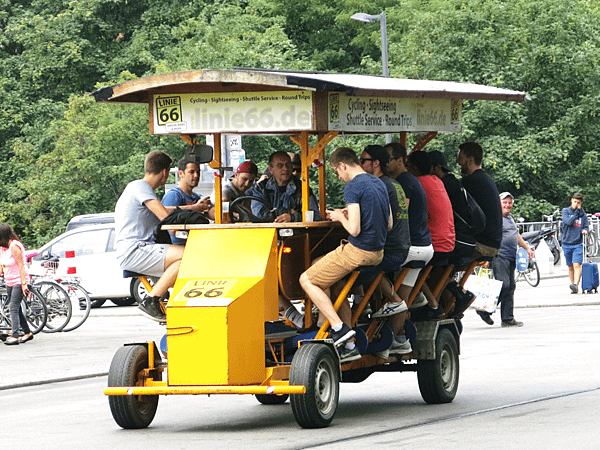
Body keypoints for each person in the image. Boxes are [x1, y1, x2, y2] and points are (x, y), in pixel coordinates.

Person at [299, 147, 391, 362]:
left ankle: (340, 329)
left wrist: (341, 216)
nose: (338, 176)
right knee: (321, 267)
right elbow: (388, 224)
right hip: (378, 251)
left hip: (358, 251)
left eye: (336, 171)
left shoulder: (353, 187)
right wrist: (352, 213)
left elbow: (355, 230)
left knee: (307, 279)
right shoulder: (379, 183)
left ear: (343, 165)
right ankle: (346, 344)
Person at [115, 151, 207, 322]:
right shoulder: (140, 187)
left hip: (137, 250)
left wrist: (194, 208)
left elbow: (168, 210)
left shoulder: (137, 189)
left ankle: (174, 305)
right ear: (165, 172)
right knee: (191, 256)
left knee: (187, 264)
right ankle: (151, 300)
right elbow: (165, 217)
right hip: (136, 250)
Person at [357, 145, 412, 355]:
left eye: (363, 161)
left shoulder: (376, 186)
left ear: (375, 163)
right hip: (402, 245)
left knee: (352, 268)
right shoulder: (394, 183)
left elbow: (370, 222)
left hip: (389, 249)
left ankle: (372, 309)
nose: (360, 165)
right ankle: (369, 308)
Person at [406, 150, 455, 319]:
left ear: (413, 167)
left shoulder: (415, 183)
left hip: (435, 244)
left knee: (404, 265)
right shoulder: (437, 181)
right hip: (449, 243)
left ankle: (429, 303)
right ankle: (436, 299)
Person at [384, 142, 434, 308]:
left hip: (411, 246)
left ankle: (373, 304)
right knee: (404, 299)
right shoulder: (410, 180)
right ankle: (399, 331)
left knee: (366, 264)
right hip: (423, 244)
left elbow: (400, 215)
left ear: (400, 161)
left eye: (388, 159)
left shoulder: (403, 182)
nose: (384, 162)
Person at [478, 192, 533, 327]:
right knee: (505, 284)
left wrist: (527, 248)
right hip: (499, 256)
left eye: (509, 203)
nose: (507, 205)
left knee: (511, 287)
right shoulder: (495, 218)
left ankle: (507, 318)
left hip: (511, 256)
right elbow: (487, 236)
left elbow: (516, 235)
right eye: (504, 202)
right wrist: (486, 257)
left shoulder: (511, 218)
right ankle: (485, 310)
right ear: (499, 204)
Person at [456, 141, 502, 259]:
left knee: (442, 251)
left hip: (482, 243)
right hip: (494, 243)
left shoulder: (470, 181)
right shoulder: (486, 179)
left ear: (470, 160)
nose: (457, 162)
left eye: (460, 158)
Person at [429, 150, 476, 262]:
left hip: (458, 240)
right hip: (468, 239)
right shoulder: (453, 180)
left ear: (437, 168)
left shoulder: (443, 185)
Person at [248, 151, 321, 223]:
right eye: (280, 165)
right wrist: (289, 212)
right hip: (267, 233)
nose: (285, 168)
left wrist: (293, 217)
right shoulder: (260, 188)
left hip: (297, 233)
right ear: (271, 170)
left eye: (288, 164)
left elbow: (315, 216)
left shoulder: (303, 189)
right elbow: (258, 214)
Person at [162, 157, 212, 244]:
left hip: (196, 244)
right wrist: (195, 208)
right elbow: (170, 228)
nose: (196, 175)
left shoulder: (197, 197)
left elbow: (212, 211)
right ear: (181, 173)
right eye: (191, 172)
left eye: (198, 172)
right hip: (178, 247)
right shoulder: (174, 195)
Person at [0, 223, 33, 345]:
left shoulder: (14, 246)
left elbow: (21, 266)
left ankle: (14, 335)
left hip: (19, 280)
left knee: (13, 308)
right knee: (17, 308)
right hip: (9, 280)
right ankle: (27, 332)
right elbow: (2, 265)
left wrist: (24, 283)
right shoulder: (3, 248)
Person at [561, 192, 589, 294]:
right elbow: (568, 222)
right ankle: (573, 284)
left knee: (576, 264)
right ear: (571, 200)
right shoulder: (565, 211)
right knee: (570, 265)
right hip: (566, 242)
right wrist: (576, 212)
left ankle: (576, 284)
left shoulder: (583, 214)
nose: (576, 204)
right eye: (574, 201)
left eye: (578, 203)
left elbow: (586, 225)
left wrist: (585, 230)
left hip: (578, 243)